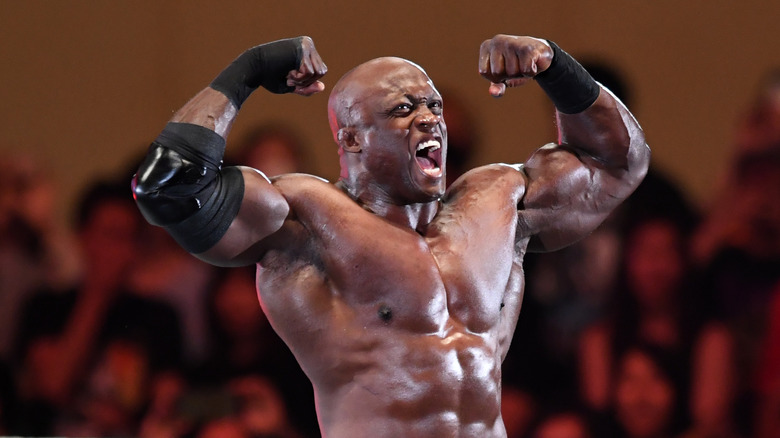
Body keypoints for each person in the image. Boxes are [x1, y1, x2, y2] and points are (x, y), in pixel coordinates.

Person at [132, 34, 649, 437]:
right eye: (404, 109)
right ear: (351, 138)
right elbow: (168, 190)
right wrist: (245, 72)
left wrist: (557, 69)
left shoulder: (499, 202)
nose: (429, 119)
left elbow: (621, 163)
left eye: (434, 106)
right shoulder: (305, 220)